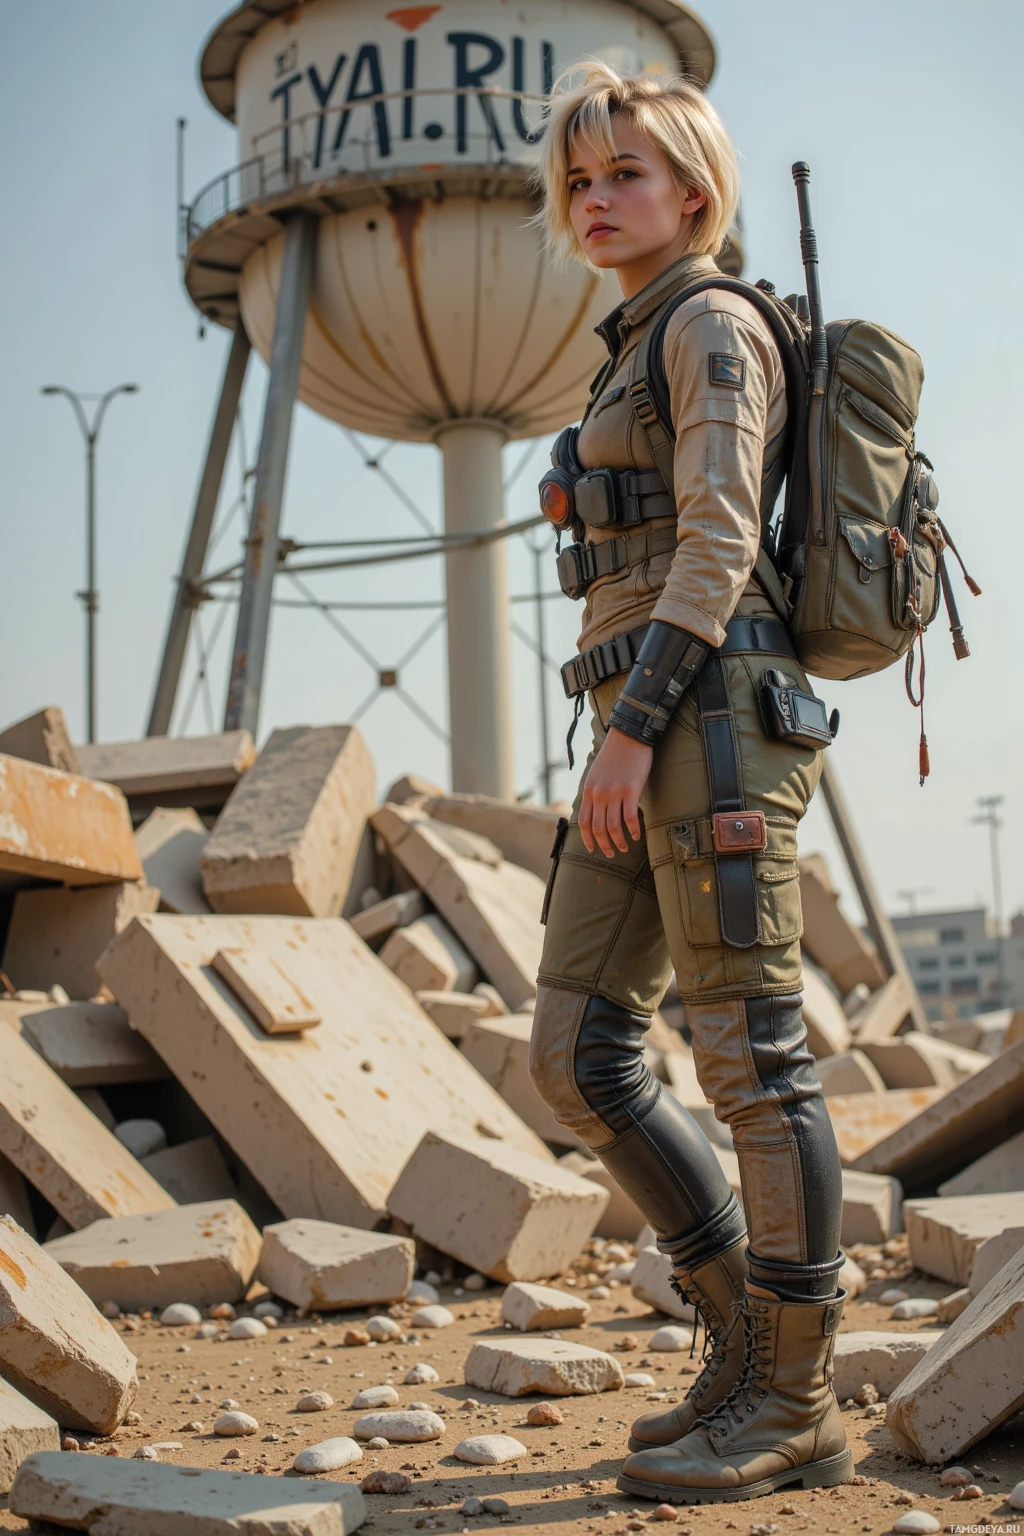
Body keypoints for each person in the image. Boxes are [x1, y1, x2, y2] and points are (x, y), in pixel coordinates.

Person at [527, 62, 852, 1504]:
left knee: (751, 1057)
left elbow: (718, 542)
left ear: (695, 190)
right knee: (576, 1048)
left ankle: (793, 1397)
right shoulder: (634, 334)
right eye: (580, 182)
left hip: (700, 722)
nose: (597, 201)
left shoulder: (712, 323)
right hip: (644, 727)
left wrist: (635, 722)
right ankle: (733, 1342)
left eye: (626, 176)